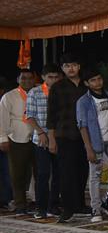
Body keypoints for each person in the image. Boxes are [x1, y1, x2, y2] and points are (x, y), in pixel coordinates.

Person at [47, 53, 89, 223]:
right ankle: (68, 208)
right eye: (66, 66)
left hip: (85, 136)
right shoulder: (57, 87)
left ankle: (80, 205)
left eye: (73, 65)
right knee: (66, 173)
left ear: (79, 66)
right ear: (62, 69)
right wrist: (51, 139)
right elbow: (51, 116)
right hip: (64, 134)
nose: (70, 68)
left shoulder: (86, 85)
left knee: (83, 171)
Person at [77, 67, 108, 222]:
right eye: (93, 80)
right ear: (87, 83)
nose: (97, 82)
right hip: (96, 142)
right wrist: (88, 148)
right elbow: (82, 126)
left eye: (99, 79)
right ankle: (95, 208)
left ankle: (107, 201)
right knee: (95, 175)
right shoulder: (83, 101)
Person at [26, 64, 62, 219]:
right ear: (43, 77)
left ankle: (53, 205)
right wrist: (40, 132)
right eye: (50, 77)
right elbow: (29, 116)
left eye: (56, 77)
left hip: (60, 138)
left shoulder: (61, 91)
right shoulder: (35, 92)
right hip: (41, 139)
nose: (53, 80)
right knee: (43, 173)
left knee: (58, 173)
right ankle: (41, 207)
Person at [0, 68, 36, 215]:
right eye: (23, 78)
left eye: (30, 78)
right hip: (16, 138)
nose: (27, 81)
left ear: (34, 80)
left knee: (39, 173)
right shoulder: (9, 97)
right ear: (18, 80)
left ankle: (37, 201)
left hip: (37, 138)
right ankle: (20, 204)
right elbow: (2, 119)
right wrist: (3, 139)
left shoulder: (38, 93)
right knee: (18, 174)